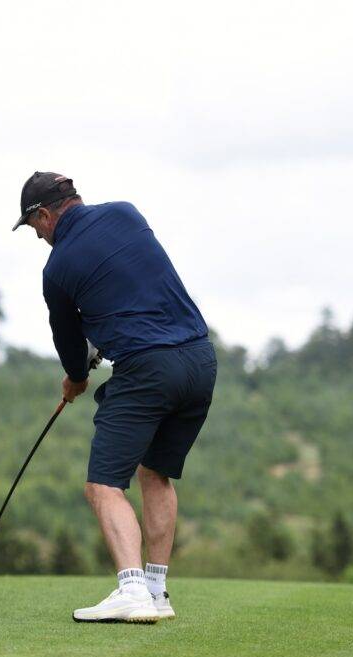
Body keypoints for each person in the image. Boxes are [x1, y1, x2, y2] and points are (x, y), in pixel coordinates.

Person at [12, 171, 217, 623]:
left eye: (34, 228)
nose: (39, 238)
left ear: (44, 215)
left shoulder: (57, 267)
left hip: (148, 368)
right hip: (200, 360)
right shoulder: (127, 213)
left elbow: (68, 340)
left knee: (103, 485)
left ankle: (132, 590)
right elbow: (131, 282)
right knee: (156, 474)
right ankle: (157, 591)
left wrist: (74, 378)